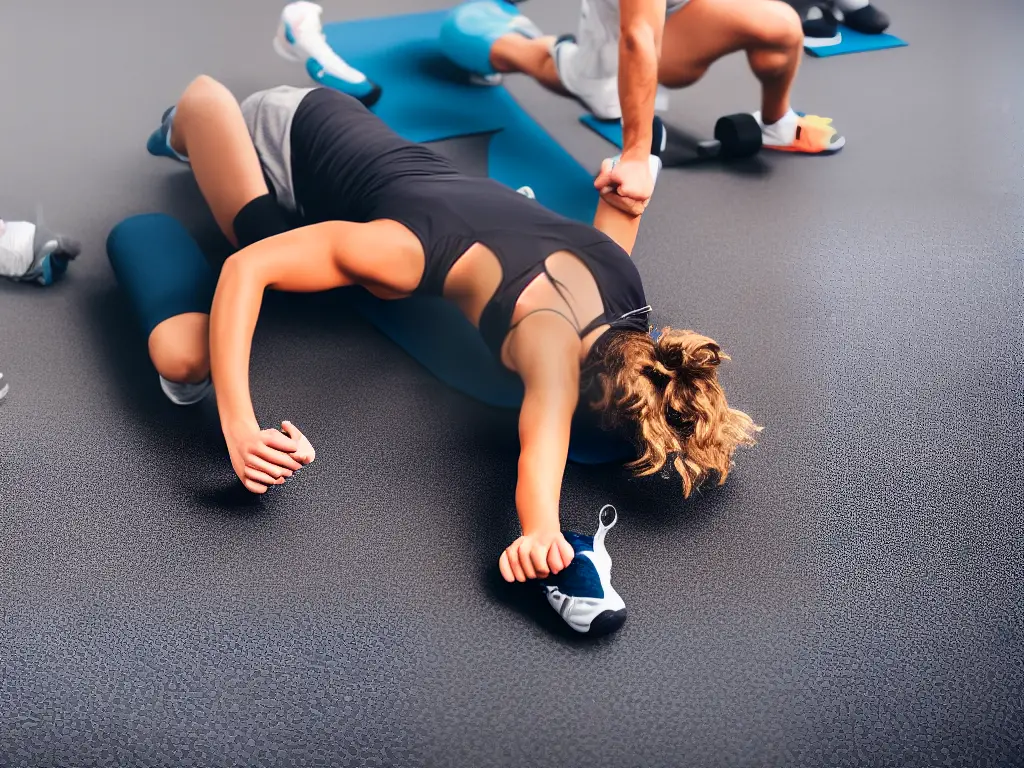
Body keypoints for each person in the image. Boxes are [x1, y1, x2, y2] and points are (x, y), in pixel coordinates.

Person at [138, 75, 759, 628]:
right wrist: (239, 429)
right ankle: (190, 119)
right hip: (288, 132)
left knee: (340, 282)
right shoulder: (409, 258)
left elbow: (621, 214)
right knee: (248, 243)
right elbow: (248, 269)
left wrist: (629, 175)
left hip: (369, 143)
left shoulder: (626, 292)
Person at [439, 0, 846, 217]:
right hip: (618, 46)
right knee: (592, 87)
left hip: (682, 17)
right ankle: (489, 35)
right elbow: (639, 36)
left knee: (782, 26)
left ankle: (777, 123)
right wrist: (636, 153)